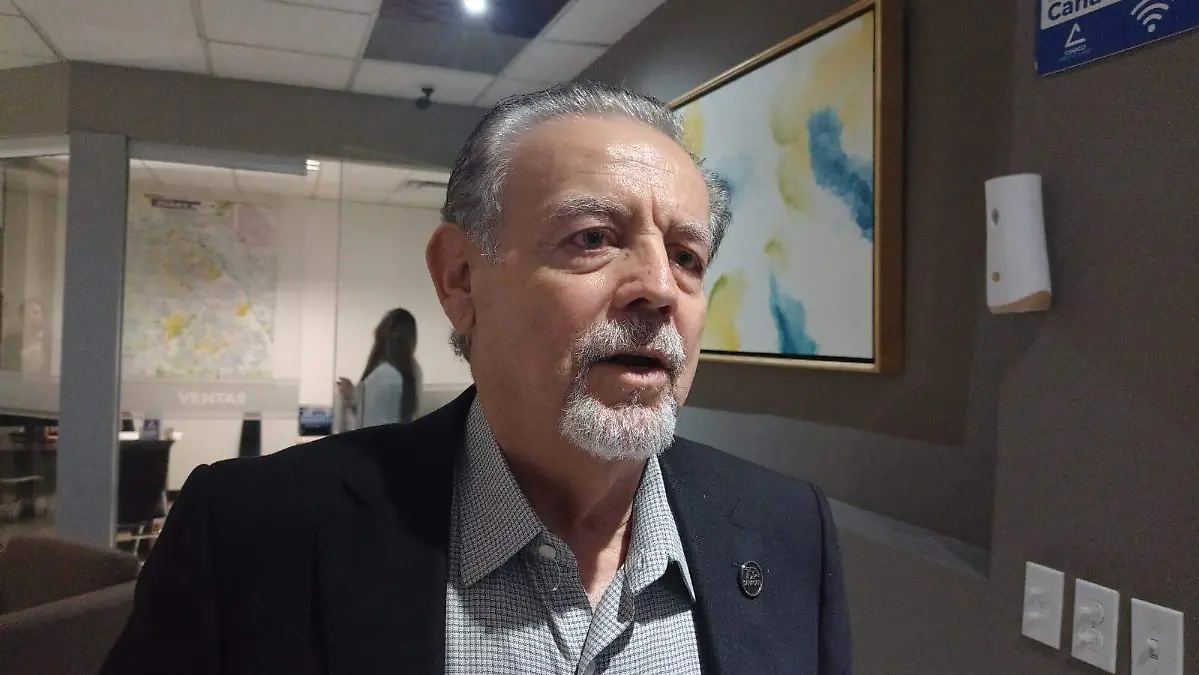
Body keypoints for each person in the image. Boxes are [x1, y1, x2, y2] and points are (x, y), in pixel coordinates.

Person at [100, 81, 852, 675]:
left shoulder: (790, 530)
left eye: (687, 256)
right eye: (593, 238)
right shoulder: (252, 536)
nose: (659, 286)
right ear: (460, 278)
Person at [335, 307, 423, 429]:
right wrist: (354, 395)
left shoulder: (385, 374)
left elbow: (369, 421)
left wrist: (353, 396)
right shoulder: (413, 371)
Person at [1, 298, 53, 376]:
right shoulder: (10, 341)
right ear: (23, 316)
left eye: (42, 312)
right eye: (35, 312)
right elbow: (6, 369)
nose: (40, 316)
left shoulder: (51, 342)